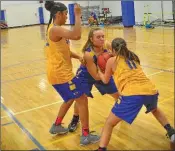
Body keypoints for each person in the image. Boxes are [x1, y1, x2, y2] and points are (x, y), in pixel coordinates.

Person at [95, 37, 175, 150]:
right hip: (150, 90)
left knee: (109, 123)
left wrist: (99, 70)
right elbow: (117, 54)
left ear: (112, 50)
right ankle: (171, 131)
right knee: (155, 109)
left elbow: (105, 80)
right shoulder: (133, 57)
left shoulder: (111, 61)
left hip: (132, 94)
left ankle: (101, 148)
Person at [44, 1, 100, 145]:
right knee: (82, 99)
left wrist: (78, 57)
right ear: (58, 14)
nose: (67, 16)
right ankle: (86, 136)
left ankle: (56, 125)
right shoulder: (55, 29)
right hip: (61, 74)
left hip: (58, 73)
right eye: (66, 14)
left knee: (70, 98)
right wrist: (78, 15)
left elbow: (65, 51)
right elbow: (76, 35)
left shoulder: (55, 29)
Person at [68, 28, 119, 133]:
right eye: (98, 37)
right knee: (81, 98)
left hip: (101, 73)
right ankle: (75, 118)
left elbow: (118, 58)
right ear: (91, 39)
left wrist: (113, 56)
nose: (101, 39)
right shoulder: (89, 54)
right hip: (86, 75)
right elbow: (95, 76)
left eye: (103, 36)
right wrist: (107, 71)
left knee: (118, 96)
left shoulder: (107, 45)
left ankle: (120, 112)